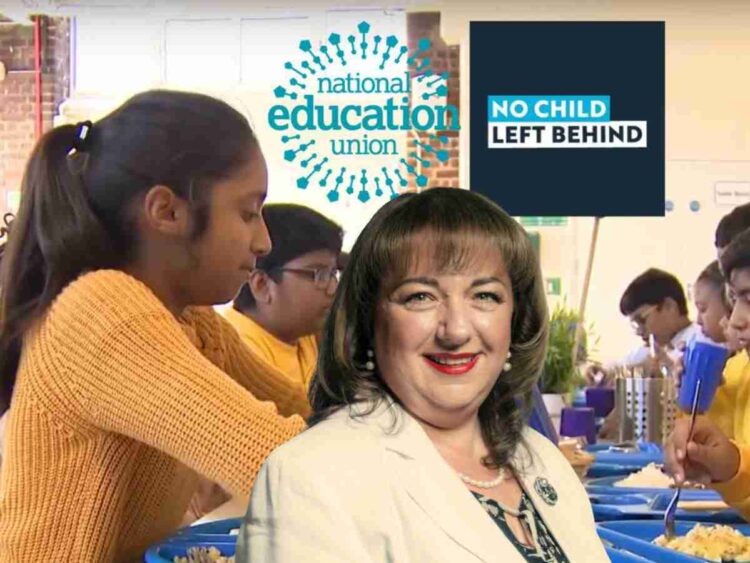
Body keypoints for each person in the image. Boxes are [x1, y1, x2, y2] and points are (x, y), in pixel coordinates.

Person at [0, 90, 307, 562]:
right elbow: (279, 462)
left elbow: (305, 412)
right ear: (167, 212)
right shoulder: (102, 314)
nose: (264, 241)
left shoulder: (192, 321)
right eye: (247, 213)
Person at [237, 188, 608, 562]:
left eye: (485, 296)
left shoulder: (544, 460)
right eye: (420, 297)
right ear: (368, 320)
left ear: (516, 317)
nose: (456, 330)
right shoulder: (310, 477)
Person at [665, 228, 750, 521]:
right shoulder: (738, 371)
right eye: (734, 299)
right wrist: (694, 410)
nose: (736, 319)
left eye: (749, 299)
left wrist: (735, 467)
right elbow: (719, 446)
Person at [224, 203, 342, 400]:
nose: (333, 288)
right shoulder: (239, 351)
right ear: (262, 285)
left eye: (332, 273)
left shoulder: (304, 332)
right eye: (318, 274)